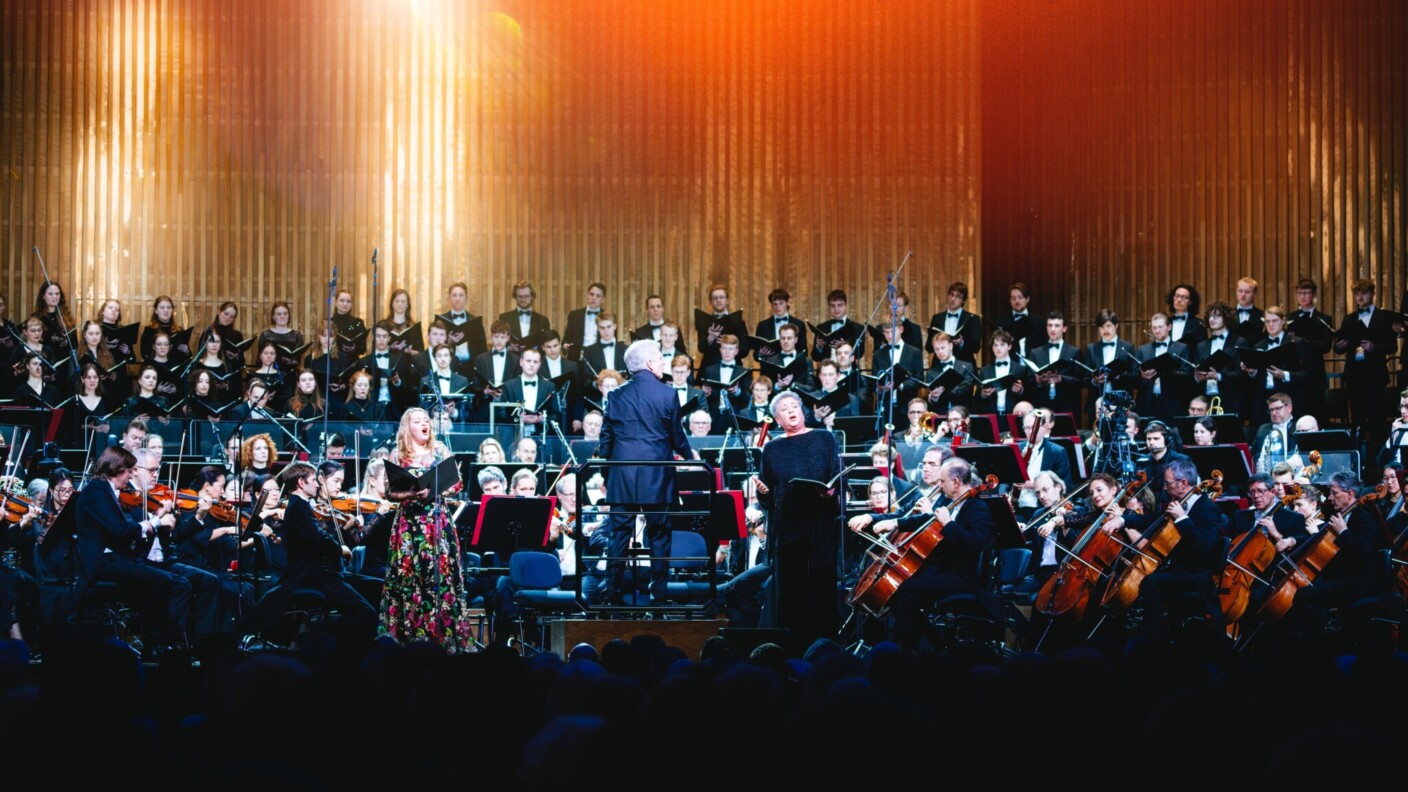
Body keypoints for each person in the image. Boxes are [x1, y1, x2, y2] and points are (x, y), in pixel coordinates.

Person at [596, 339, 697, 606]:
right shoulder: (668, 394)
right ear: (651, 364)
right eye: (662, 360)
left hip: (623, 476)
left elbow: (606, 443)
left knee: (619, 535)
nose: (664, 363)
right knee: (660, 535)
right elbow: (677, 437)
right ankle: (659, 596)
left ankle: (612, 595)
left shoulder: (615, 396)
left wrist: (600, 463)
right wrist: (691, 457)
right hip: (658, 475)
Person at [753, 390, 842, 652]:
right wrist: (763, 493)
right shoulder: (772, 448)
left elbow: (837, 475)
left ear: (802, 411)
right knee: (792, 593)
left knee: (822, 588)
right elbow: (768, 497)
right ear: (777, 419)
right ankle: (793, 651)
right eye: (784, 409)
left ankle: (826, 650)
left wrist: (832, 490)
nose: (791, 411)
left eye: (795, 406)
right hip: (789, 528)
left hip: (821, 525)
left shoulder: (824, 438)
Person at [378, 408, 475, 651]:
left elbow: (457, 483)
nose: (424, 424)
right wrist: (411, 493)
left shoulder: (440, 449)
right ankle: (408, 640)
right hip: (409, 526)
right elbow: (389, 492)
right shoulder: (398, 454)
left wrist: (433, 490)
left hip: (438, 522)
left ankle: (443, 639)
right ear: (407, 426)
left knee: (440, 577)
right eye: (417, 421)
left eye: (426, 421)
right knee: (409, 578)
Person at [255, 461, 376, 640]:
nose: (318, 484)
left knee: (375, 585)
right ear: (301, 483)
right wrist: (340, 549)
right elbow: (318, 538)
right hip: (315, 575)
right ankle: (316, 637)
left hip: (319, 573)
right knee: (366, 614)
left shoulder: (298, 505)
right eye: (313, 480)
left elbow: (317, 537)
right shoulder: (299, 506)